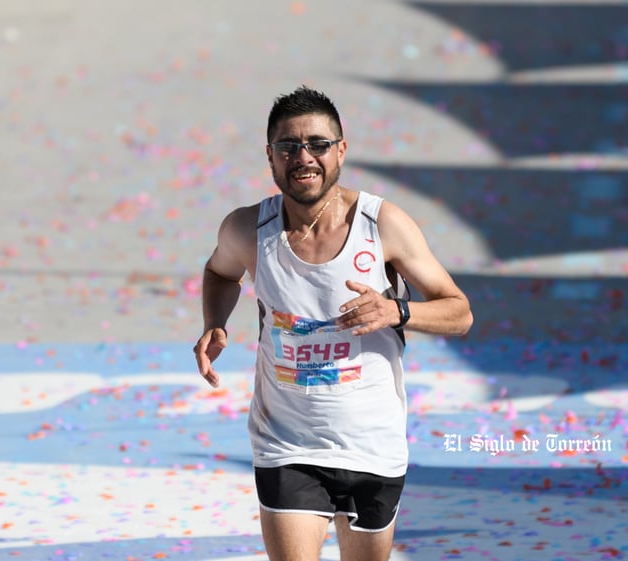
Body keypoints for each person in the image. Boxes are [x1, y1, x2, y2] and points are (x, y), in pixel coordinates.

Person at [193, 85, 473, 561]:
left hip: (372, 444)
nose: (304, 157)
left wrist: (398, 311)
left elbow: (459, 311)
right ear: (271, 156)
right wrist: (215, 322)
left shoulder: (382, 224)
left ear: (341, 150)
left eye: (318, 145)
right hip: (287, 443)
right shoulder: (245, 228)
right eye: (288, 147)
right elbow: (220, 272)